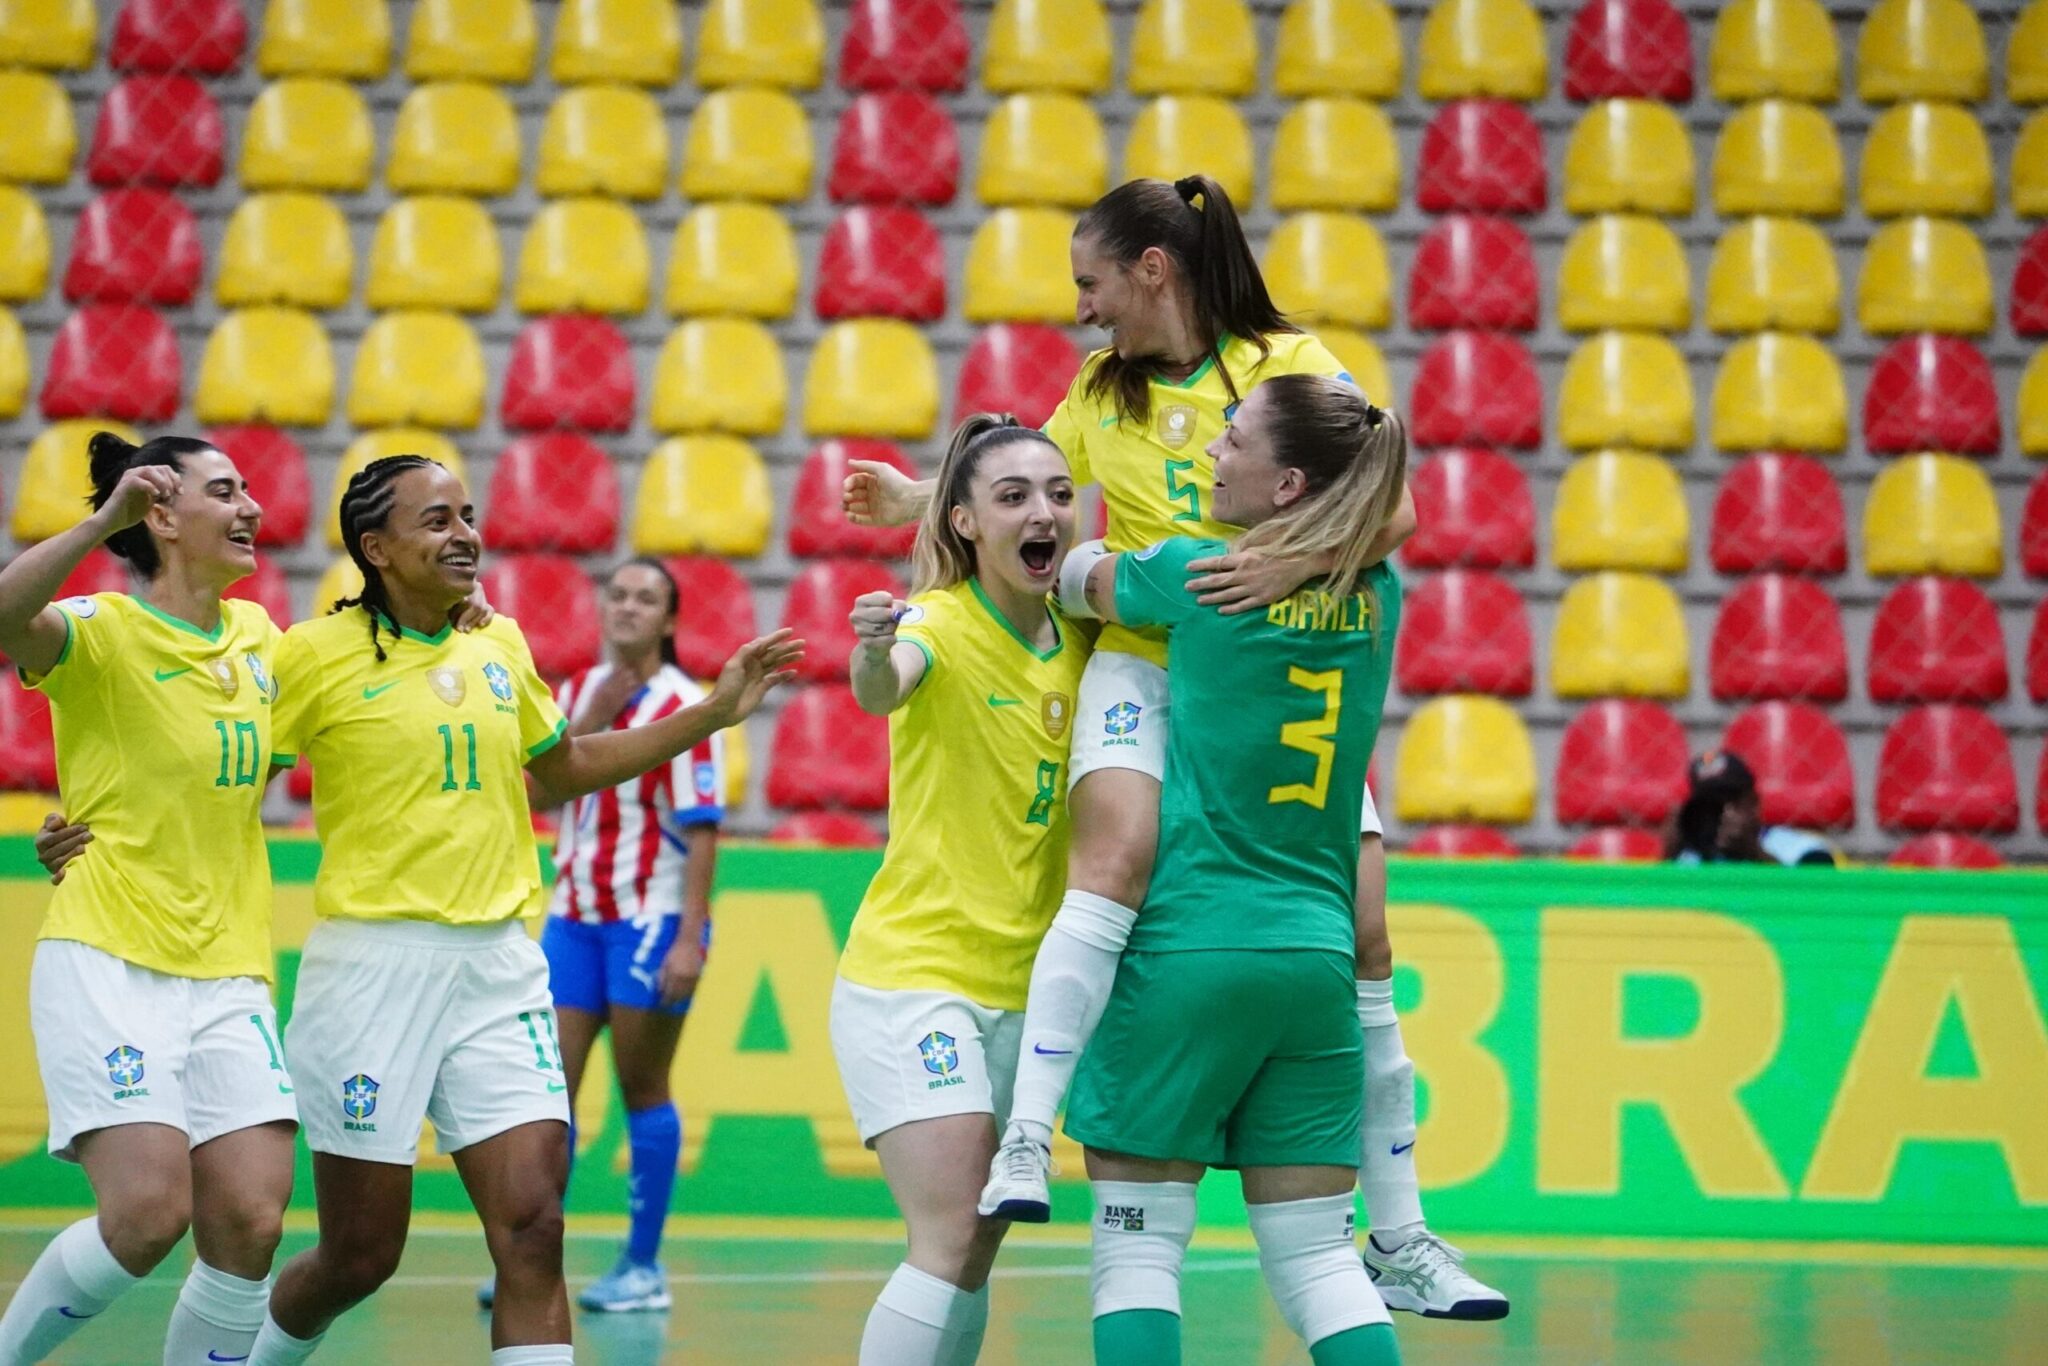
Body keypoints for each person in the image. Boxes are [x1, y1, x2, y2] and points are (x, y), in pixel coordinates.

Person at [847, 176, 1504, 1318]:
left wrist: (1290, 562)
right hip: (1144, 664)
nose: (1083, 308)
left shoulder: (1287, 364)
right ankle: (1025, 1138)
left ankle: (1400, 1232)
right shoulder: (1101, 394)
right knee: (1111, 866)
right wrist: (914, 495)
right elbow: (1016, 487)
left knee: (1360, 925)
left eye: (1090, 282)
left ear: (1153, 267)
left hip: (1261, 680)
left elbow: (1386, 502)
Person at [40, 455, 804, 1366]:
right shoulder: (306, 657)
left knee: (534, 1226)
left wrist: (714, 711)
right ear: (378, 548)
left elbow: (560, 771)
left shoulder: (500, 645)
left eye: (469, 515)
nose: (465, 535)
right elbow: (210, 756)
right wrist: (95, 826)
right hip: (370, 976)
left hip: (498, 968)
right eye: (436, 521)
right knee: (362, 1255)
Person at [1062, 374, 1409, 1365]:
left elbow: (1073, 575)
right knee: (1317, 1264)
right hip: (1315, 963)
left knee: (1134, 1257)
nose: (1209, 453)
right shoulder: (1378, 593)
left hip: (1191, 946)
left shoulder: (1193, 574)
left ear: (1288, 483)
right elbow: (1371, 532)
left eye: (1234, 439)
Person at [0, 433, 300, 1366]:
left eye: (249, 489)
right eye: (224, 491)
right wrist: (99, 523)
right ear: (162, 517)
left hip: (229, 970)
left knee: (251, 1220)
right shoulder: (97, 631)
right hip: (109, 958)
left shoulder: (264, 642)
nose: (250, 506)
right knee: (145, 1214)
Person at [831, 415, 1090, 1366]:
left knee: (974, 1249)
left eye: (1059, 494)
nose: (1044, 513)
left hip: (1028, 992)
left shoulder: (1086, 640)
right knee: (946, 1238)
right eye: (1013, 496)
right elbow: (883, 684)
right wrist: (869, 649)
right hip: (916, 976)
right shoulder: (935, 621)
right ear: (968, 524)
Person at [482, 558, 729, 1315]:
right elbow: (547, 781)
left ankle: (643, 1267)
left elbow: (703, 828)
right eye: (617, 594)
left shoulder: (687, 705)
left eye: (645, 598)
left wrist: (690, 937)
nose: (626, 608)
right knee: (547, 1090)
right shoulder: (577, 693)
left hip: (649, 920)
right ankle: (531, 1259)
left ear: (669, 622)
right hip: (574, 917)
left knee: (641, 1085)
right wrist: (595, 711)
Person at [1665, 749, 1838, 867]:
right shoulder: (1688, 858)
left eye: (1729, 799)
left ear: (1753, 802)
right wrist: (1668, 860)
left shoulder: (1799, 849)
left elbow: (1815, 901)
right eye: (1709, 802)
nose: (1721, 811)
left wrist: (1755, 855)